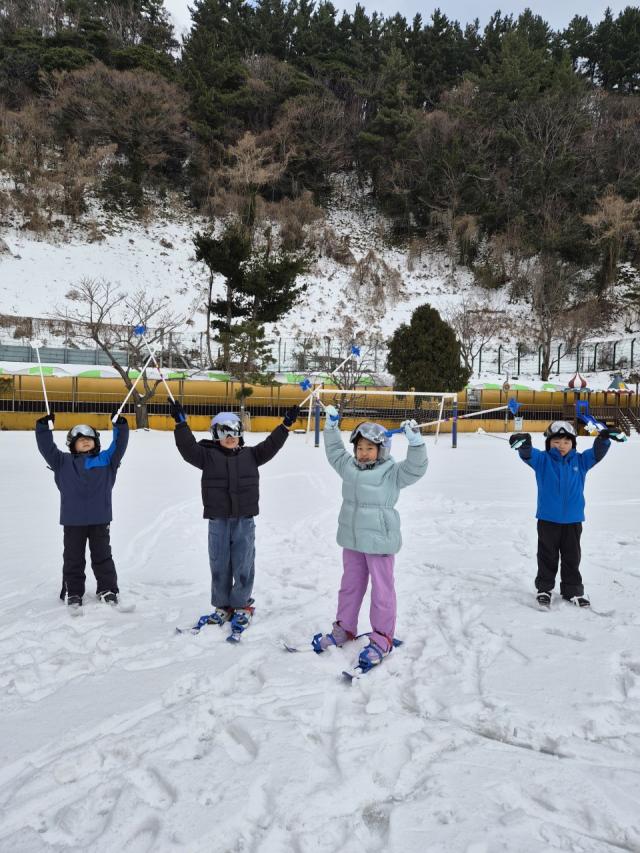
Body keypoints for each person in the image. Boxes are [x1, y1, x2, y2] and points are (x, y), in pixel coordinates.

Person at [169, 402, 299, 636]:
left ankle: (242, 604)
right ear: (215, 435)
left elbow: (271, 445)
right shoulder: (206, 456)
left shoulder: (251, 455)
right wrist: (181, 424)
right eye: (223, 431)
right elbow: (187, 448)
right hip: (218, 520)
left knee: (243, 562)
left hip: (244, 520)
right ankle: (222, 605)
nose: (230, 436)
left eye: (234, 431)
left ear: (241, 433)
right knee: (219, 562)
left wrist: (285, 425)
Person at [315, 405, 428, 669]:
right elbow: (334, 452)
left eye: (370, 448)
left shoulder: (391, 473)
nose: (363, 453)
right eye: (360, 448)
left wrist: (416, 443)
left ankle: (382, 637)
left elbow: (416, 468)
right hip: (352, 540)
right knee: (350, 586)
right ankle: (344, 628)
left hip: (379, 541)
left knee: (382, 591)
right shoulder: (349, 467)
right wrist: (331, 427)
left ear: (381, 450)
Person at [509, 420, 625, 608]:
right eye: (556, 442)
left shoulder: (581, 461)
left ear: (573, 444)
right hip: (548, 520)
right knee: (547, 556)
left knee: (572, 557)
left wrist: (604, 439)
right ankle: (544, 589)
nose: (561, 446)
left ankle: (572, 590)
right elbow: (527, 453)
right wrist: (524, 442)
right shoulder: (542, 461)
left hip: (573, 520)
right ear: (548, 443)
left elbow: (597, 453)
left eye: (566, 442)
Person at [35, 410, 129, 608]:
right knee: (73, 558)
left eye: (89, 439)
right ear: (72, 445)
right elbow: (47, 448)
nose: (85, 442)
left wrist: (119, 425)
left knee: (102, 556)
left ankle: (107, 588)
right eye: (80, 440)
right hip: (73, 521)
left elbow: (119, 444)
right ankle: (73, 591)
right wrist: (43, 427)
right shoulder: (62, 462)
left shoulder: (107, 460)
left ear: (96, 442)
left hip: (100, 520)